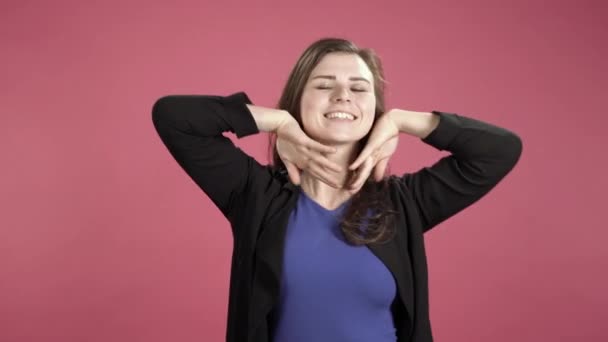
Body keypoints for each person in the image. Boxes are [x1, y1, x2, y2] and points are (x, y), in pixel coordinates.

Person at [151, 37, 522, 342]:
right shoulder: (255, 195)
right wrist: (276, 121)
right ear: (299, 100)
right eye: (324, 85)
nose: (343, 96)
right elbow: (173, 117)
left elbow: (500, 150)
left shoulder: (404, 203)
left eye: (359, 88)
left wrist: (402, 121)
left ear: (372, 108)